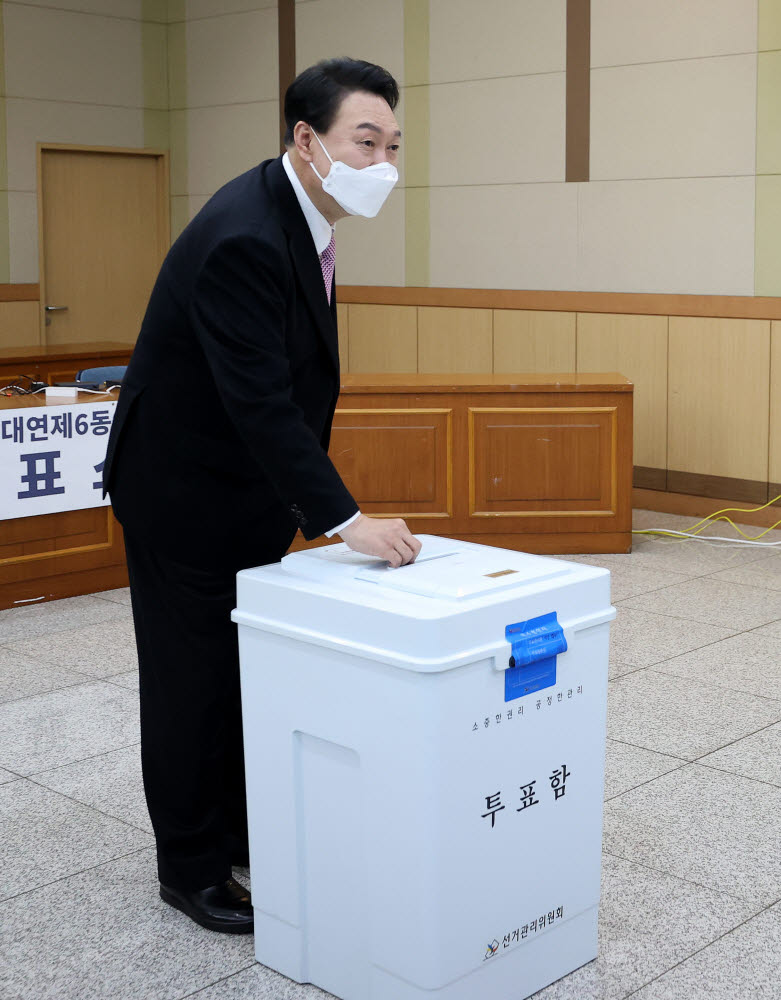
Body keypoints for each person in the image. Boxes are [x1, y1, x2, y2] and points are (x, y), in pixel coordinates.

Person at [103, 57, 422, 935]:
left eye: (394, 144)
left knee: (239, 675)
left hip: (238, 494)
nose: (383, 162)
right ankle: (189, 868)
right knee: (189, 684)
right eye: (366, 141)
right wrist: (346, 520)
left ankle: (239, 827)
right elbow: (259, 401)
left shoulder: (301, 214)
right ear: (307, 139)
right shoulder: (247, 232)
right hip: (182, 496)